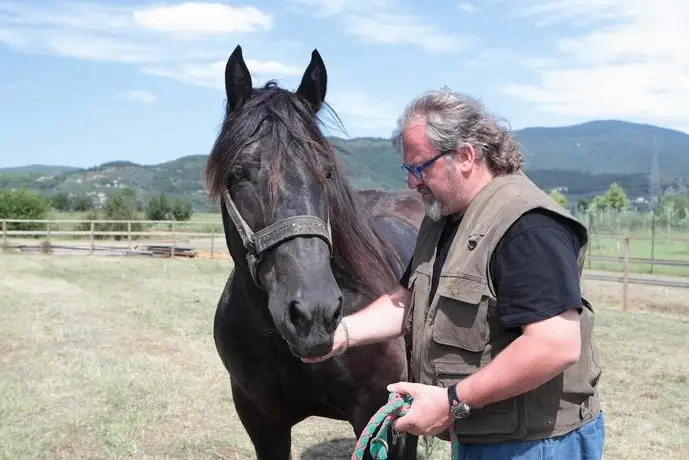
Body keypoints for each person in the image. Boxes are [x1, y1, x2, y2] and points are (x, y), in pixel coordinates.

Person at [302, 87, 604, 459]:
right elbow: (407, 299)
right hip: (483, 431)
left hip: (537, 444)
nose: (411, 183)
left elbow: (553, 344)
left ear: (465, 156)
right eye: (407, 170)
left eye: (419, 168)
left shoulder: (527, 227)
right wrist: (340, 334)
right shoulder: (446, 218)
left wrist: (450, 402)